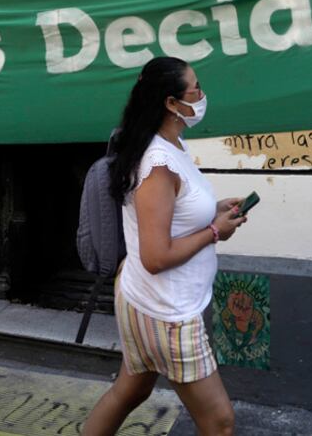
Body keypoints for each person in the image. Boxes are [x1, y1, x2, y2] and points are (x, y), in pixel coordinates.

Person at [83, 57, 246, 436]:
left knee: (131, 389)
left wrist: (213, 213)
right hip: (167, 313)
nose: (203, 96)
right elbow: (156, 256)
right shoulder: (158, 163)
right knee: (220, 423)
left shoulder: (166, 145)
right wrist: (215, 232)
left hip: (145, 300)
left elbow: (171, 214)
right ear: (172, 104)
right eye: (196, 89)